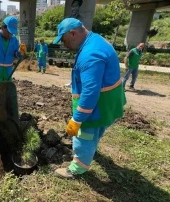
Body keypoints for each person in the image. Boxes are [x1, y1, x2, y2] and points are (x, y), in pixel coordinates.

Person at [52, 18, 126, 178]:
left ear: (72, 33)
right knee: (96, 131)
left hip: (97, 106)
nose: (63, 45)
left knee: (84, 135)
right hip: (109, 102)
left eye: (63, 40)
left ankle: (76, 168)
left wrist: (77, 119)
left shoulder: (90, 55)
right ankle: (90, 150)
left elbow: (90, 92)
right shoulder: (95, 40)